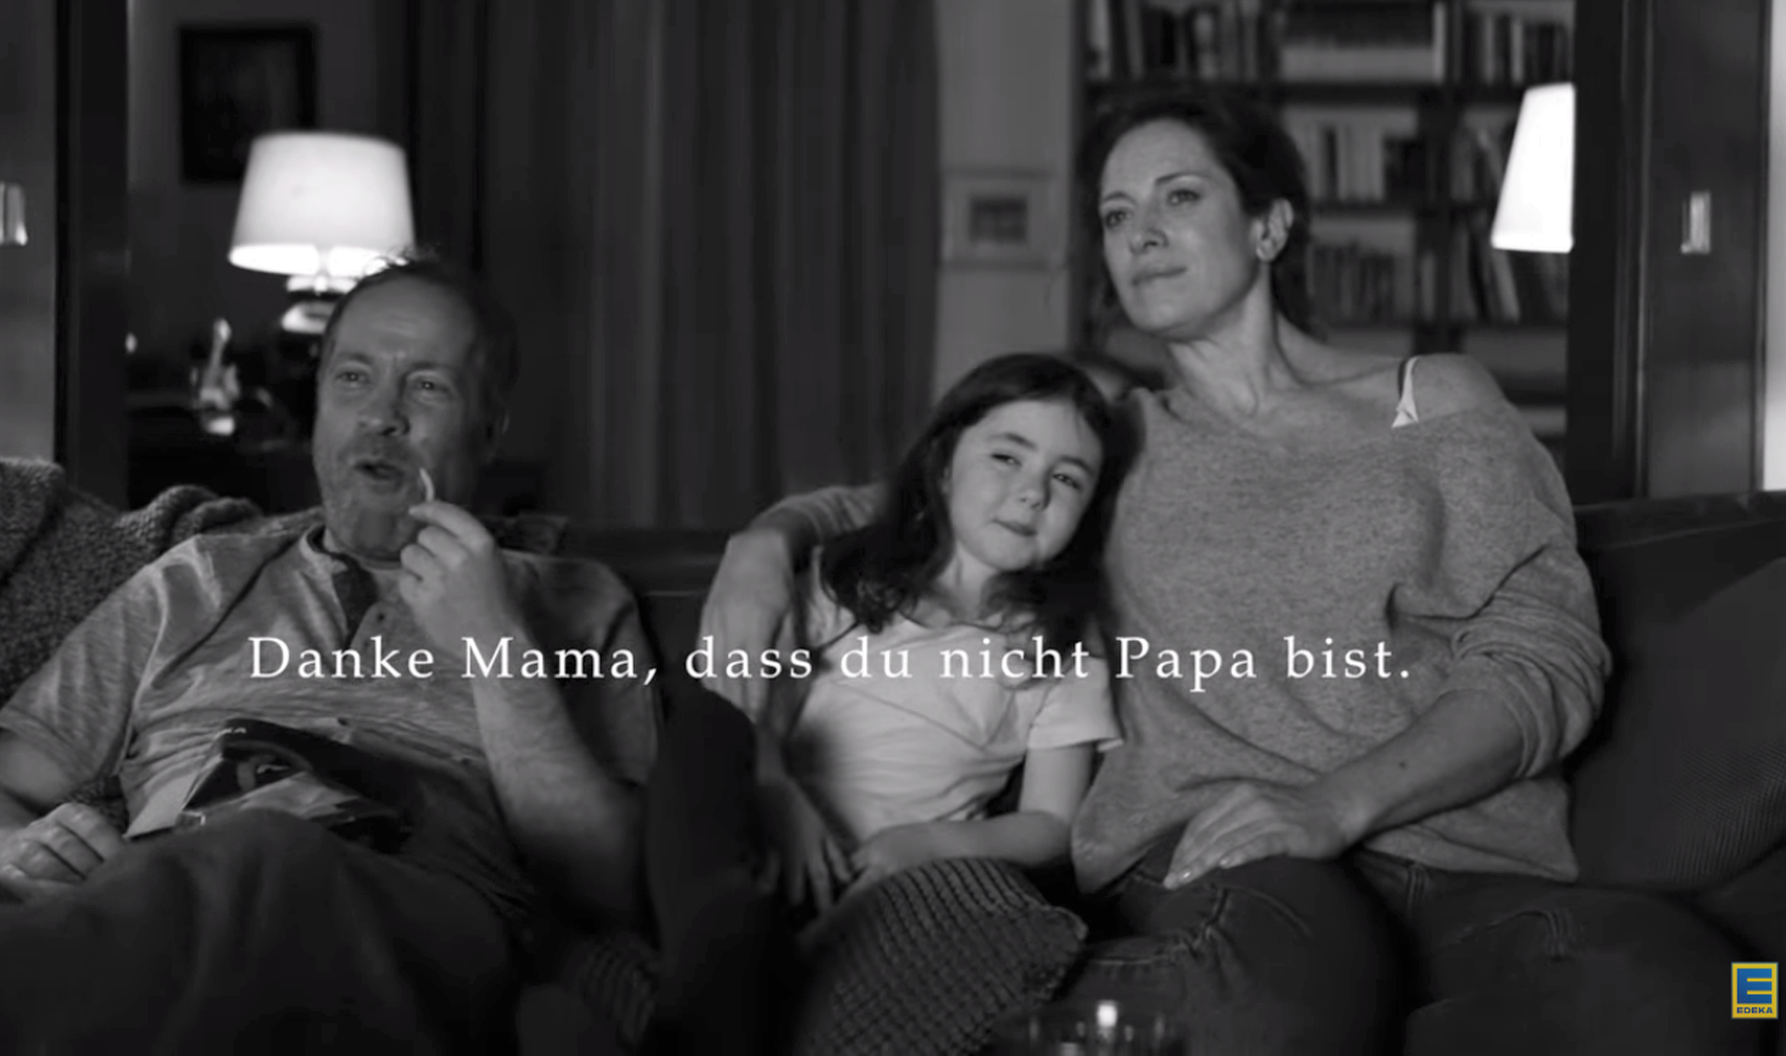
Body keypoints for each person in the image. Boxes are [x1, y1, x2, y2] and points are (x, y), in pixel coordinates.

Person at [697, 89, 1755, 1055]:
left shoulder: (1432, 402)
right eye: (1116, 215)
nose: (1141, 232)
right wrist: (763, 545)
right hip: (1223, 863)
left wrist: (1336, 802)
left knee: (1711, 992)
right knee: (1275, 997)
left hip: (1462, 864)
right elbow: (929, 497)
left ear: (1269, 226)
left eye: (1179, 195)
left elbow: (1545, 655)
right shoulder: (1113, 444)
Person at [0, 255, 658, 1053]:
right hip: (160, 903)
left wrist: (496, 648)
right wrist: (2, 848)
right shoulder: (195, 578)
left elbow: (607, 886)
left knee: (268, 855)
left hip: (402, 906)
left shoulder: (575, 600)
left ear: (489, 429)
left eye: (427, 386)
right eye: (353, 378)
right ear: (318, 408)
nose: (381, 415)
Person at [525, 353, 1130, 1055]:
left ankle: (710, 1010)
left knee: (1003, 909)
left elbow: (1052, 822)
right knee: (710, 728)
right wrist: (777, 787)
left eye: (1067, 478)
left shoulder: (1063, 644)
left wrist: (929, 846)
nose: (1032, 492)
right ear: (942, 464)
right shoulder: (843, 576)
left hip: (887, 891)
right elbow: (759, 709)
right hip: (756, 850)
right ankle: (718, 943)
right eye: (1007, 456)